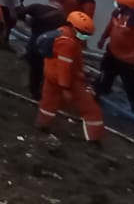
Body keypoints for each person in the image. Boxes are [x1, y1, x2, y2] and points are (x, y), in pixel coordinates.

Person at [36, 10, 105, 144]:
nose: (84, 37)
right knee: (91, 109)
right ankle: (94, 139)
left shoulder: (61, 32)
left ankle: (42, 124)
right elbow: (65, 67)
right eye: (83, 34)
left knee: (48, 102)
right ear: (74, 28)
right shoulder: (69, 43)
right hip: (67, 80)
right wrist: (66, 89)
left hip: (50, 75)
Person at [97, 0, 134, 116]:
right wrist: (103, 38)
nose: (115, 4)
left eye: (118, 2)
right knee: (106, 74)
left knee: (132, 85)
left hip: (128, 60)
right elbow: (110, 27)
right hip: (112, 52)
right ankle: (101, 92)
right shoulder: (116, 14)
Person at [22, 0, 70, 100]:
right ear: (63, 1)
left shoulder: (36, 7)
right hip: (48, 49)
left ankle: (33, 90)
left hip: (32, 45)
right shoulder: (63, 18)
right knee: (44, 70)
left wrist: (28, 21)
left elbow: (18, 13)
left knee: (34, 70)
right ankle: (41, 91)